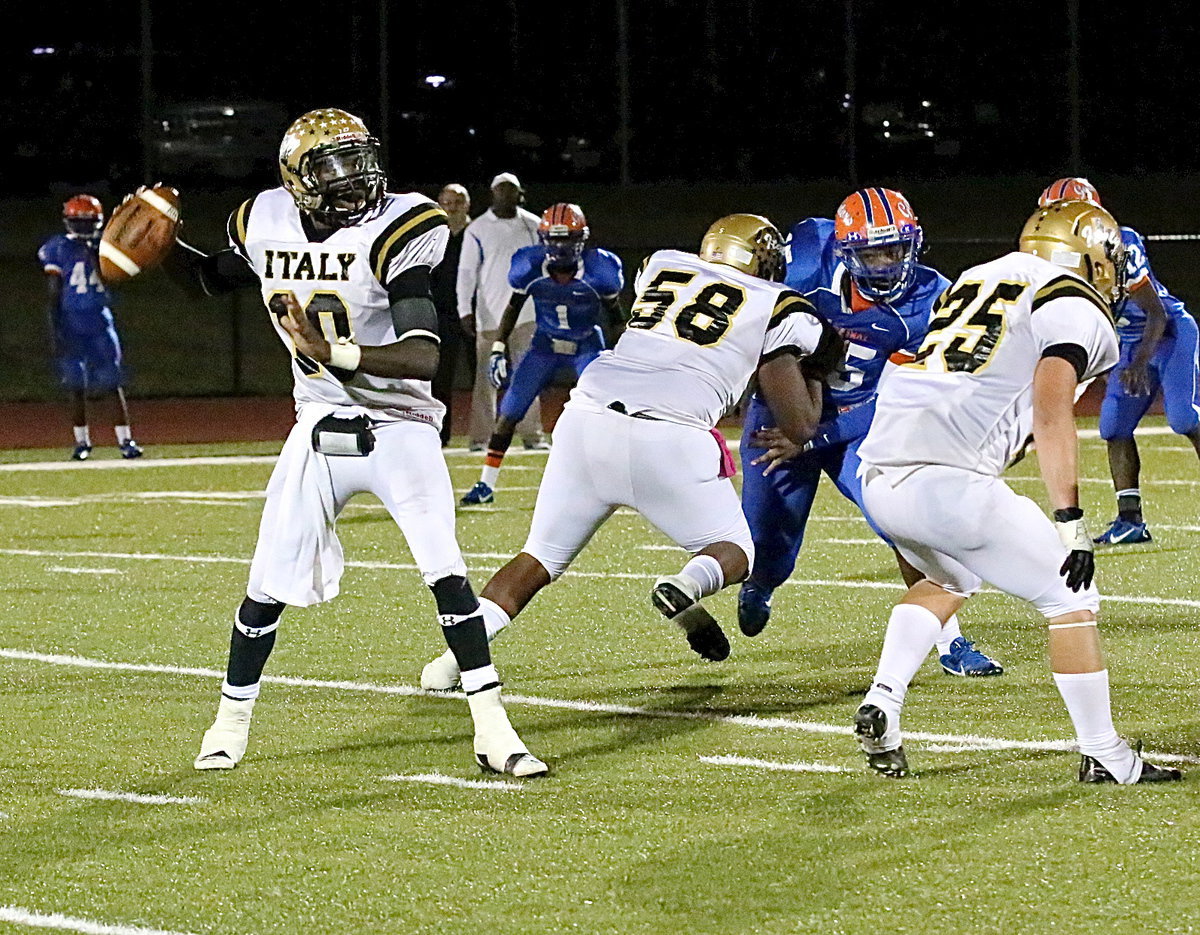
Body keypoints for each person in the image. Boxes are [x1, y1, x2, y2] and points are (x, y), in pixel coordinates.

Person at [163, 108, 545, 777]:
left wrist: (335, 350)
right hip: (317, 422)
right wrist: (158, 247)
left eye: (359, 161)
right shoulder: (264, 220)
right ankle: (229, 722)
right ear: (296, 178)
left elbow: (424, 354)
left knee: (446, 572)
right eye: (333, 168)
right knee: (266, 582)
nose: (353, 180)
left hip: (400, 424)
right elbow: (209, 278)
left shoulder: (399, 225)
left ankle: (493, 728)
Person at [421, 214, 843, 689]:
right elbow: (801, 423)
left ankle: (450, 664)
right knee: (737, 551)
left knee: (537, 558)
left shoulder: (662, 264)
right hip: (670, 435)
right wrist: (815, 371)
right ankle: (687, 585)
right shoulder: (781, 304)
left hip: (585, 421)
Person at [842, 198, 1180, 783]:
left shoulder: (978, 277)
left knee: (949, 579)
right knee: (1071, 599)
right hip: (948, 479)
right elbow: (1052, 404)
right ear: (1093, 260)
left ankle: (885, 704)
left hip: (880, 474)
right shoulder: (1075, 301)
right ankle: (1105, 753)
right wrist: (1070, 519)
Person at [739, 189, 1002, 676]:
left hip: (864, 420)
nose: (884, 264)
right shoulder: (807, 261)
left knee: (904, 526)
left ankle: (949, 642)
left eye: (895, 250)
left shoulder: (929, 299)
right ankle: (762, 583)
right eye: (871, 252)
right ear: (843, 251)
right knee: (766, 544)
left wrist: (814, 437)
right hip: (779, 415)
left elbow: (899, 395)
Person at [1038, 177, 1200, 545]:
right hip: (1128, 340)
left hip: (1168, 332)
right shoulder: (1056, 255)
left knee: (1185, 417)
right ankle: (1130, 520)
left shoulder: (1119, 243)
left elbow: (1156, 315)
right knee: (1113, 427)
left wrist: (1138, 362)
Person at [460, 203, 624, 504]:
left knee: (606, 412)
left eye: (567, 239)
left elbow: (616, 316)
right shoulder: (528, 266)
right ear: (543, 239)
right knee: (509, 412)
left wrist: (622, 357)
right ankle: (485, 485)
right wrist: (498, 346)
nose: (560, 246)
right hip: (545, 344)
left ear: (581, 239)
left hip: (586, 344)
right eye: (554, 239)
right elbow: (512, 307)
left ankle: (614, 481)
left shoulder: (601, 270)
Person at [37, 194, 143, 461]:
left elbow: (114, 277)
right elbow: (53, 293)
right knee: (77, 385)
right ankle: (84, 442)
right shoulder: (61, 248)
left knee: (112, 383)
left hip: (98, 320)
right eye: (79, 221)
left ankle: (123, 440)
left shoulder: (105, 248)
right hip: (75, 321)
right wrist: (55, 328)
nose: (83, 227)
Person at [457, 173, 546, 451]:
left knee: (528, 375)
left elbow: (544, 266)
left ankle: (532, 436)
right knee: (485, 379)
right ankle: (481, 438)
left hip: (527, 315)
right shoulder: (478, 228)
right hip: (490, 315)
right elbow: (467, 272)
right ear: (493, 193)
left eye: (513, 191)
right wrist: (464, 309)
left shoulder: (533, 224)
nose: (508, 196)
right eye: (503, 191)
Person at [430, 183, 473, 446]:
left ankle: (486, 434)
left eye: (456, 202)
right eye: (446, 202)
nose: (451, 208)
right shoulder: (434, 235)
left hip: (474, 314)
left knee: (482, 375)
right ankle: (439, 434)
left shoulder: (477, 232)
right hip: (442, 314)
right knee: (440, 377)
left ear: (466, 204)